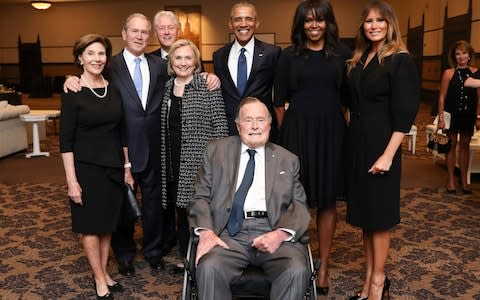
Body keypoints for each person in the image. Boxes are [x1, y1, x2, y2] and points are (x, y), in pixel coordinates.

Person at [64, 13, 171, 276]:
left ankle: (154, 251)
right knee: (122, 206)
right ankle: (124, 256)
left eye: (145, 32)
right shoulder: (109, 64)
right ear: (123, 34)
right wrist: (69, 78)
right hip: (119, 148)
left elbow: (183, 78)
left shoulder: (159, 65)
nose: (139, 36)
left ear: (150, 36)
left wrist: (208, 78)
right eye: (134, 31)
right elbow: (87, 74)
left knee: (153, 204)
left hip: (154, 146)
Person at [188, 97, 311, 300]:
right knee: (209, 267)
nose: (255, 126)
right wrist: (206, 231)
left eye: (261, 120)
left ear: (270, 125)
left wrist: (280, 234)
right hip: (228, 233)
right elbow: (199, 196)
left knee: (295, 269)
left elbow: (300, 205)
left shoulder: (287, 159)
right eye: (248, 120)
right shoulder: (216, 151)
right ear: (238, 126)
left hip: (272, 231)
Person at [273, 0, 351, 294]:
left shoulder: (342, 54)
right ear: (300, 24)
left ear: (328, 23)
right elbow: (278, 101)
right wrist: (287, 136)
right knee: (296, 200)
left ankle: (324, 265)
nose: (314, 25)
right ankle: (295, 262)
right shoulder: (288, 55)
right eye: (308, 20)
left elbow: (347, 99)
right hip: (297, 133)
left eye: (319, 20)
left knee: (328, 201)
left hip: (332, 133)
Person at [345, 1, 419, 299]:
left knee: (380, 219)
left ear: (390, 24)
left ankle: (378, 282)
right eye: (368, 21)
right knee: (365, 218)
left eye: (380, 20)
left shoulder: (400, 60)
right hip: (358, 145)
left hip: (382, 146)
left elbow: (405, 114)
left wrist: (388, 155)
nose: (373, 25)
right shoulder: (360, 58)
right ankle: (369, 279)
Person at [60, 34, 125, 299]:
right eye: (90, 54)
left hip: (112, 166)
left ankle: (105, 269)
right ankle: (98, 277)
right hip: (85, 169)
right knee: (89, 225)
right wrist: (71, 181)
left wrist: (127, 167)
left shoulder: (113, 87)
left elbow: (121, 132)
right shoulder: (73, 91)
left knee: (107, 223)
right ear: (80, 58)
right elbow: (65, 141)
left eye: (101, 54)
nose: (97, 59)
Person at [159, 39, 228, 270]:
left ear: (196, 61)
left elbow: (220, 126)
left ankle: (205, 257)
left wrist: (219, 164)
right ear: (171, 61)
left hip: (200, 161)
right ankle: (186, 256)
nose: (183, 62)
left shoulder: (207, 85)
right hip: (173, 159)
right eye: (178, 58)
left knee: (199, 209)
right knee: (180, 209)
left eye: (188, 58)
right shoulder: (168, 87)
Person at [213, 2, 281, 140]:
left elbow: (280, 94)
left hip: (261, 130)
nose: (243, 24)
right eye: (238, 19)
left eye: (249, 19)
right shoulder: (219, 55)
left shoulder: (272, 53)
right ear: (230, 24)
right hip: (228, 131)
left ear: (257, 23)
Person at [437, 40, 480, 194]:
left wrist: (478, 117)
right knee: (451, 145)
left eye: (464, 53)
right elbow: (442, 97)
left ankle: (464, 181)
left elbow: (479, 97)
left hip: (468, 115)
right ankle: (450, 180)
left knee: (465, 147)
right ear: (454, 56)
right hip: (451, 115)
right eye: (458, 53)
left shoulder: (476, 72)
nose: (461, 56)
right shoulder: (448, 73)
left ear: (469, 55)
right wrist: (441, 118)